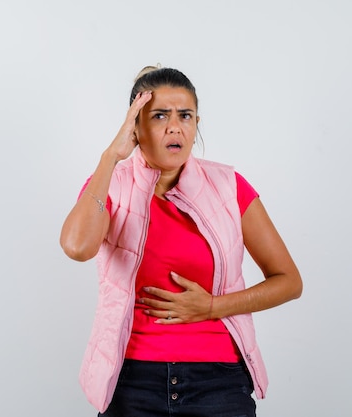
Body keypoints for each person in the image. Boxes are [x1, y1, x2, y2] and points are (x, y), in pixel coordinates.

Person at [60, 66, 302, 417]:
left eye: (185, 116)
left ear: (196, 123)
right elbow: (76, 247)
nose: (175, 126)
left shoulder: (229, 186)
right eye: (159, 116)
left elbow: (289, 282)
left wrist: (211, 308)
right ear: (135, 127)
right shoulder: (110, 183)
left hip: (218, 381)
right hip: (132, 382)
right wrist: (110, 157)